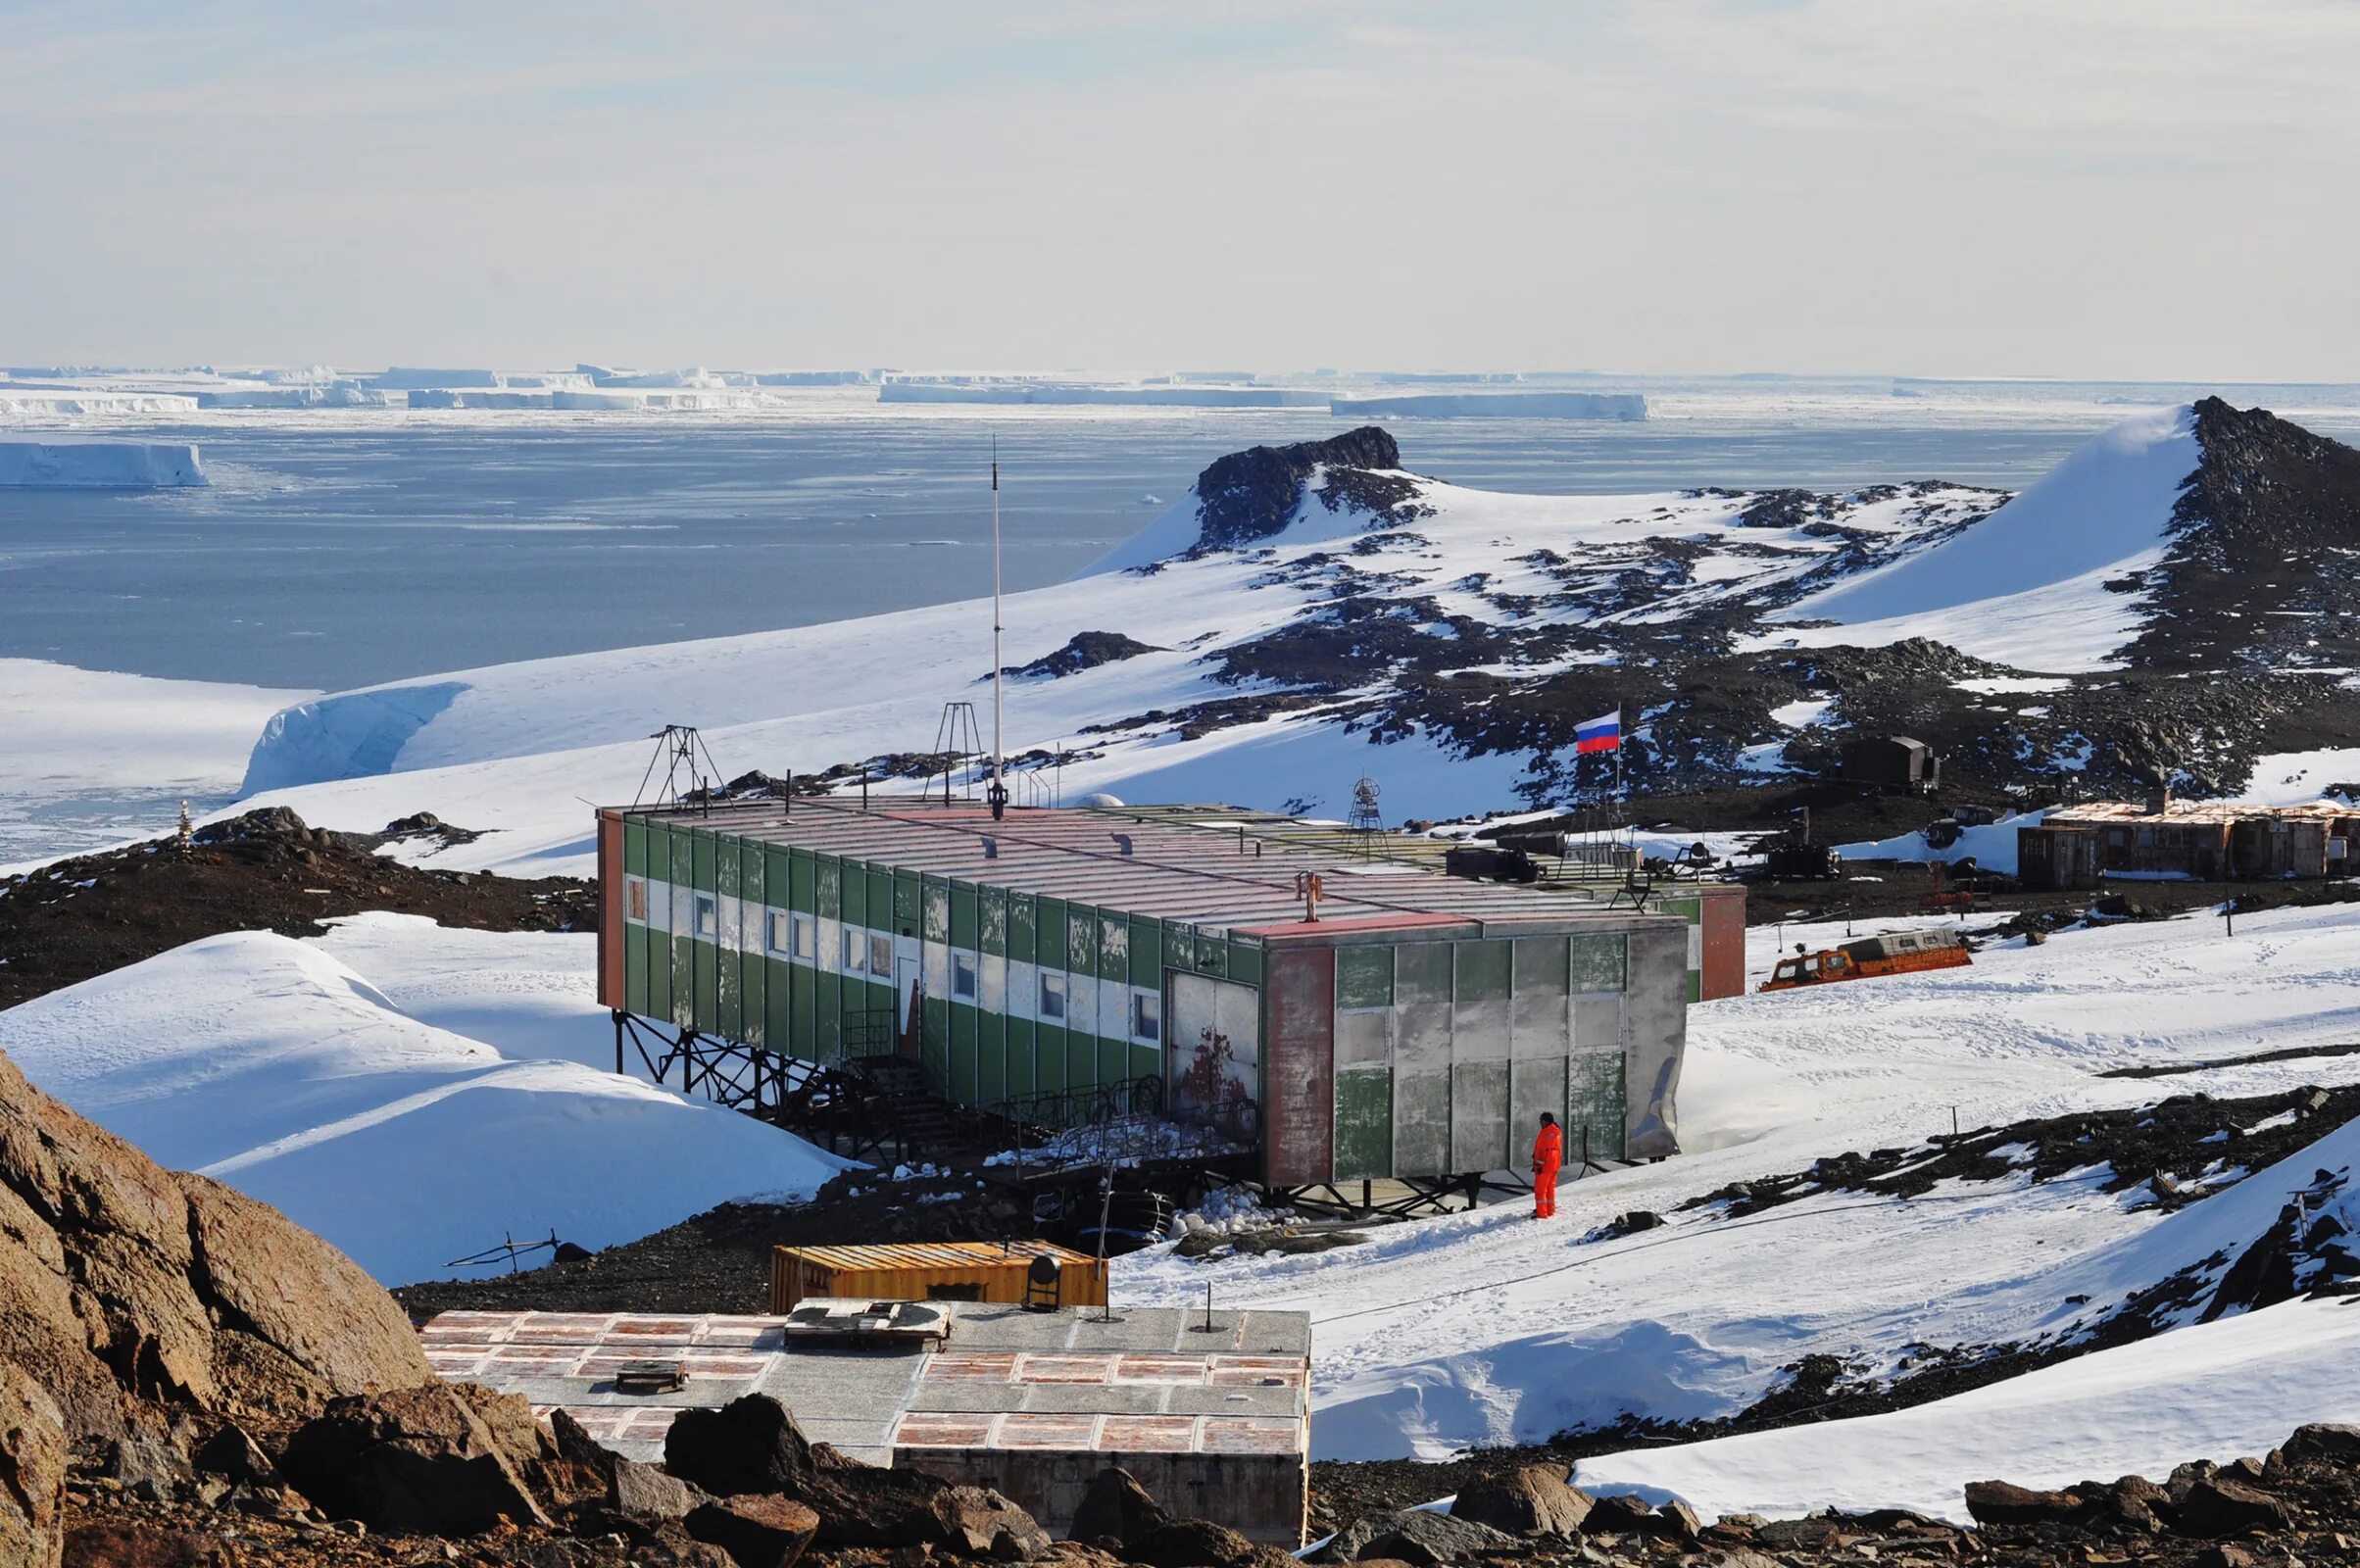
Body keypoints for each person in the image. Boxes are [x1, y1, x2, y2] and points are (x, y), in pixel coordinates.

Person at [1531, 1112, 1562, 1219]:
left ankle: (1541, 1212)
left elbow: (1542, 1150)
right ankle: (1550, 1209)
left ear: (1546, 1121)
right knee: (1550, 1187)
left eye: (1541, 1120)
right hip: (1554, 1162)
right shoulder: (1556, 1131)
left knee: (1540, 1189)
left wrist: (1538, 1164)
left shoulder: (1546, 1132)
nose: (1540, 1123)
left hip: (1546, 1162)